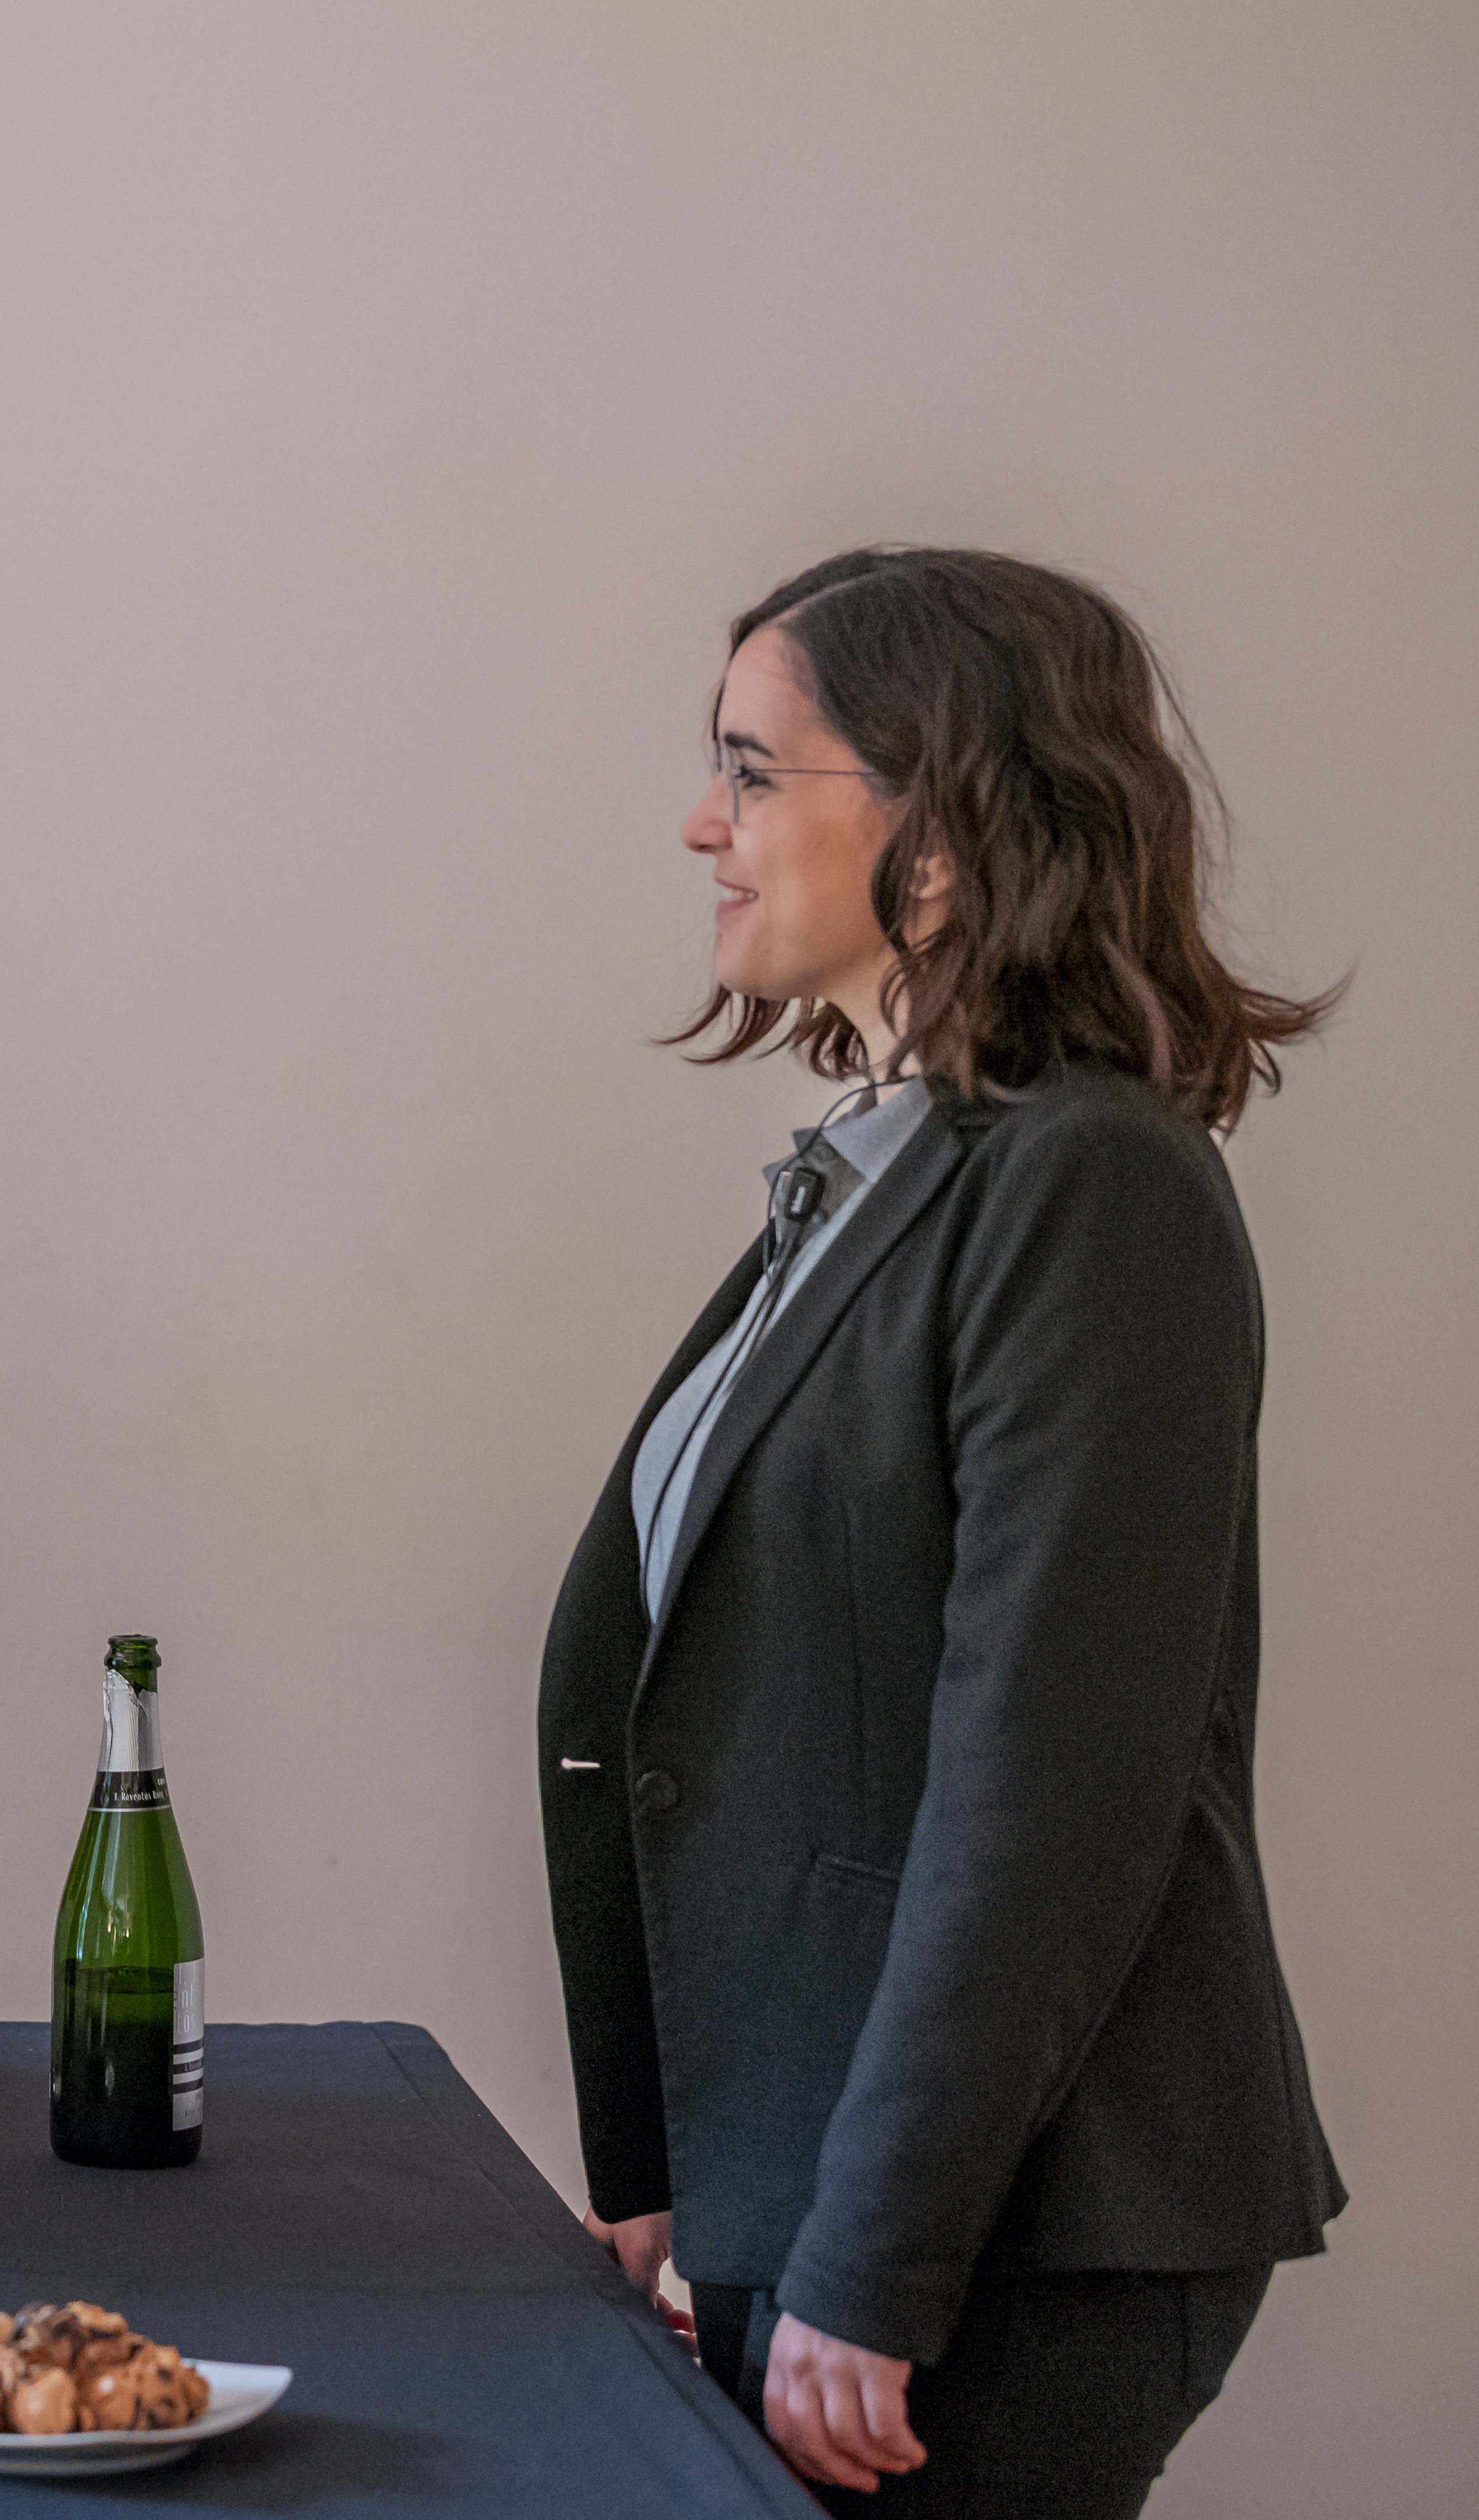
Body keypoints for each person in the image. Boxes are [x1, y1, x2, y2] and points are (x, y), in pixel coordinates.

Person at [536, 548, 1345, 2515]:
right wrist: (678, 2171)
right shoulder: (884, 1176)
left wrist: (871, 2262)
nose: (701, 823)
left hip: (1008, 2230)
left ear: (944, 828)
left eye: (753, 769)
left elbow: (1049, 1783)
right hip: (815, 2179)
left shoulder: (1090, 1185)